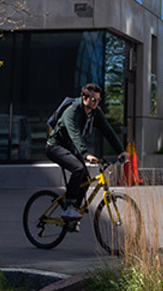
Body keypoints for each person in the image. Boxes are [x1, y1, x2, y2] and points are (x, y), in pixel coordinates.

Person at [45, 83, 125, 223]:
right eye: (93, 100)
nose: (96, 103)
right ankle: (68, 207)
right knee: (78, 168)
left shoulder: (96, 112)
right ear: (84, 98)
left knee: (86, 180)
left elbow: (108, 131)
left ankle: (72, 215)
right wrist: (85, 153)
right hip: (55, 147)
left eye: (98, 100)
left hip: (71, 148)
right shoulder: (72, 111)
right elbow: (75, 134)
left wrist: (121, 151)